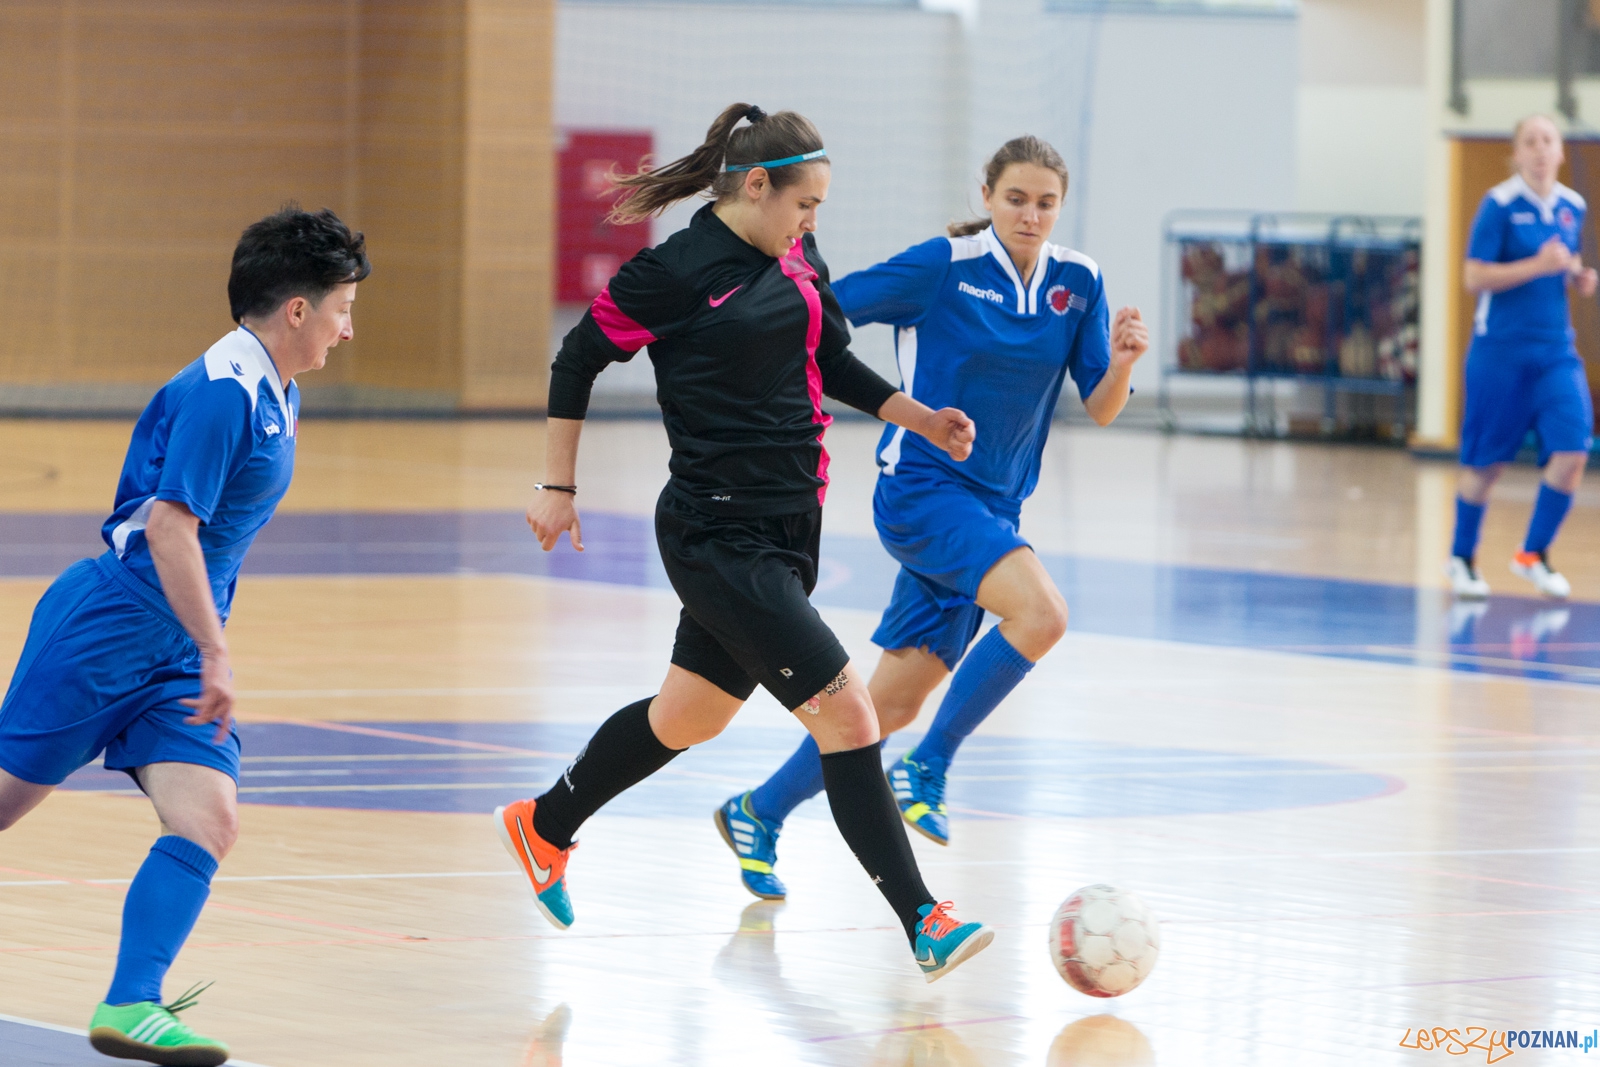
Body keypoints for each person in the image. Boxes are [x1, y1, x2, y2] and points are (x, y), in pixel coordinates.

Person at [493, 103, 994, 983]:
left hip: (790, 523)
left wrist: (915, 416)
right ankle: (925, 917)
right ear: (756, 186)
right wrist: (557, 485)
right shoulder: (674, 271)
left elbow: (831, 357)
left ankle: (544, 824)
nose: (812, 224)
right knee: (850, 714)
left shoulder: (796, 256)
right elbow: (577, 357)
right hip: (715, 531)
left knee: (690, 716)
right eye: (804, 205)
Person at [715, 135, 1148, 900]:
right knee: (1042, 613)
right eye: (1016, 198)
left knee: (887, 704)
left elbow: (1102, 408)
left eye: (1046, 202)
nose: (1031, 213)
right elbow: (825, 307)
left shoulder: (1079, 281)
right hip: (922, 492)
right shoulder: (942, 266)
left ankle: (759, 810)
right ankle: (932, 763)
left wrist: (1120, 364)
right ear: (987, 196)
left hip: (994, 508)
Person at [0, 207, 368, 1066]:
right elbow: (171, 528)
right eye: (344, 307)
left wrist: (198, 644)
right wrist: (215, 648)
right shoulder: (223, 392)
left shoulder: (279, 389)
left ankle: (132, 1002)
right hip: (109, 626)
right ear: (298, 311)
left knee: (207, 817)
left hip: (170, 650)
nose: (350, 327)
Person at [1448, 114, 1598, 600]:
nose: (1539, 150)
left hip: (1555, 352)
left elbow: (1562, 262)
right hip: (1500, 353)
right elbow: (1474, 277)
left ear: (1558, 151)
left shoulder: (1572, 206)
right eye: (1529, 142)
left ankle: (1532, 553)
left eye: (1547, 141)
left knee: (1573, 449)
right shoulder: (1500, 205)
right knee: (1487, 466)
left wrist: (1577, 276)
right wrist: (1538, 265)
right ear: (1515, 155)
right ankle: (1462, 558)